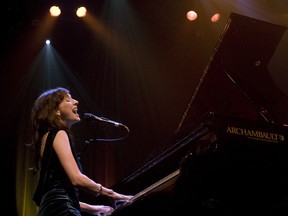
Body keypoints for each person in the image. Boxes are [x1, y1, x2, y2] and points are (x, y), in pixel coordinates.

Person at [30, 87, 133, 215]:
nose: (76, 101)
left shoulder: (45, 138)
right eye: (68, 100)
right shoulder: (59, 134)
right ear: (56, 111)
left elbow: (56, 194)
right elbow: (76, 179)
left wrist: (96, 209)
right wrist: (114, 194)